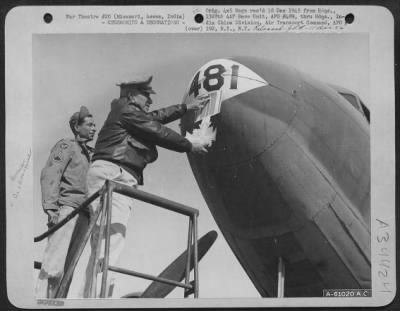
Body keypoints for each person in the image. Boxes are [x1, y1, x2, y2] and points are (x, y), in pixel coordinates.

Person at [80, 75, 209, 297]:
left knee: (103, 243)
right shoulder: (127, 111)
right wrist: (189, 144)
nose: (149, 99)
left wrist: (185, 108)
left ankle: (93, 297)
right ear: (131, 95)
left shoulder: (125, 111)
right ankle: (99, 300)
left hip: (111, 174)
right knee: (110, 241)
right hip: (115, 176)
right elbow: (156, 129)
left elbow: (154, 117)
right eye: (146, 95)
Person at [35, 106, 96, 298]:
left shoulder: (92, 154)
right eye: (89, 125)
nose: (94, 128)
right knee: (54, 264)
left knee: (70, 268)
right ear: (77, 128)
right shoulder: (67, 146)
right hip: (67, 210)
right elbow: (51, 174)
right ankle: (43, 303)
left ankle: (58, 303)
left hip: (86, 214)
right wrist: (51, 209)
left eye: (95, 125)